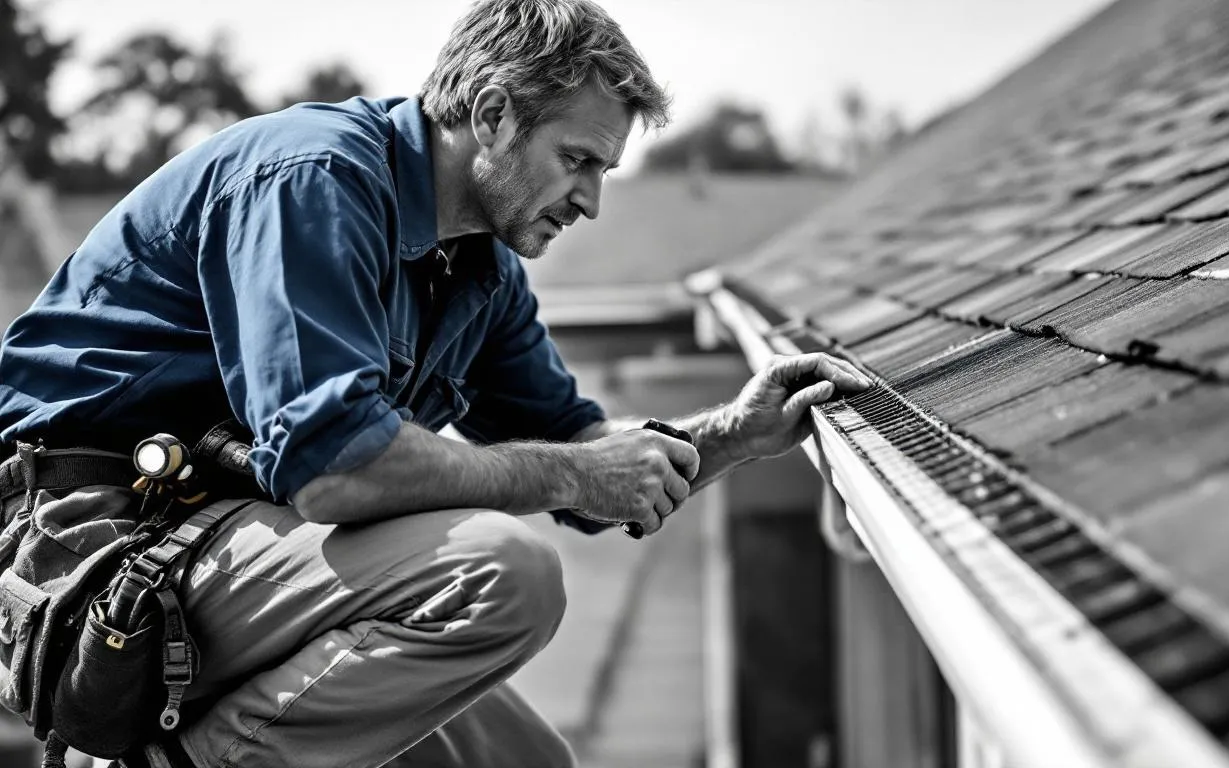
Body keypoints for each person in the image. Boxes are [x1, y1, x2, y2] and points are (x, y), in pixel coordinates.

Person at [0, 0, 870, 766]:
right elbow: (334, 470)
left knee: (527, 762)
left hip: (220, 545)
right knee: (505, 572)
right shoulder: (316, 181)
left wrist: (733, 434)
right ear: (492, 114)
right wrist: (570, 474)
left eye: (603, 170)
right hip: (91, 554)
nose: (592, 201)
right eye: (578, 160)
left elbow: (581, 452)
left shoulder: (481, 273)